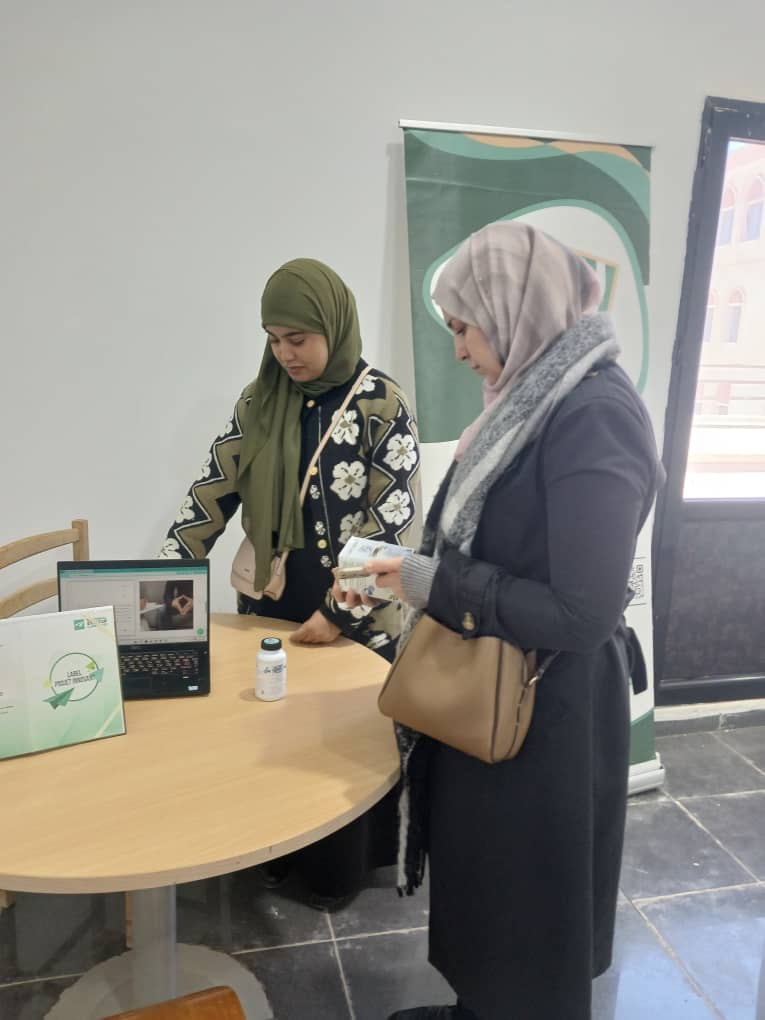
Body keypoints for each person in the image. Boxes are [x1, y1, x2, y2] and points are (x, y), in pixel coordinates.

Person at [335, 221, 664, 1020]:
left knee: (528, 904)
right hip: (496, 684)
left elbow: (581, 612)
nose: (456, 350)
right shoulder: (530, 399)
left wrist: (429, 582)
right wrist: (407, 575)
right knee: (486, 882)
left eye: (464, 327)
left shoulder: (594, 415)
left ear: (517, 311)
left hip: (547, 709)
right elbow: (494, 546)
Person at [160, 257, 421, 907]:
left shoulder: (381, 403)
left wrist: (338, 610)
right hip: (271, 603)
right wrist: (160, 582)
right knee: (271, 739)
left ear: (334, 325)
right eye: (273, 339)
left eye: (298, 338)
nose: (284, 353)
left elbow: (391, 517)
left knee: (339, 742)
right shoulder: (259, 401)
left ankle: (335, 876)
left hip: (353, 612)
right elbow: (211, 493)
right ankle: (271, 857)